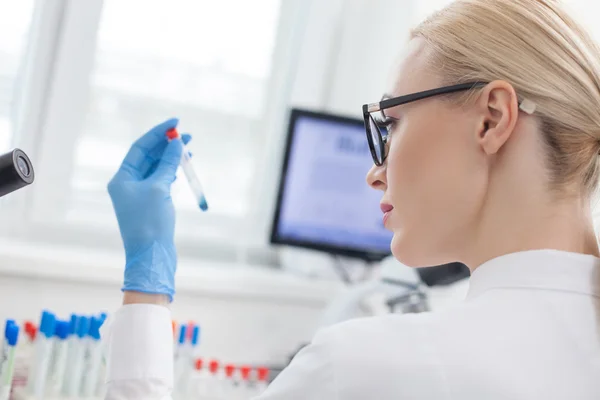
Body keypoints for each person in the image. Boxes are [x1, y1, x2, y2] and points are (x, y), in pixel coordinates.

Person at [103, 0, 600, 398]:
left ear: (492, 118)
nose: (374, 174)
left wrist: (146, 288)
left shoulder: (361, 367)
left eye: (392, 124)